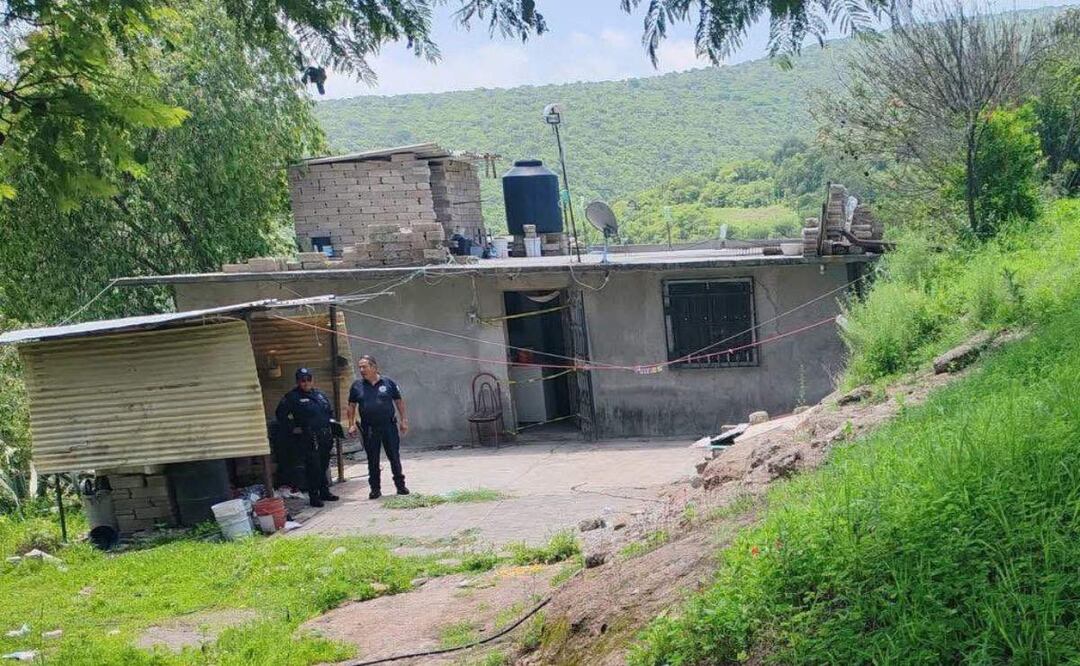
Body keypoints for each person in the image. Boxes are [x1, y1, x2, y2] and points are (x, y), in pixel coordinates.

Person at [275, 368, 339, 507]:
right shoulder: (292, 397)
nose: (306, 383)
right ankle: (314, 497)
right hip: (308, 437)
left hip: (324, 435)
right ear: (298, 382)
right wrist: (294, 427)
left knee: (324, 465)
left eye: (308, 379)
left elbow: (329, 412)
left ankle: (324, 492)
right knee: (313, 467)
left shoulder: (319, 394)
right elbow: (280, 415)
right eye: (302, 380)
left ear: (312, 380)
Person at [348, 355, 410, 499]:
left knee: (394, 456)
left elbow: (399, 402)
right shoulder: (357, 386)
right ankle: (375, 489)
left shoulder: (388, 383)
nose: (361, 370)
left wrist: (404, 420)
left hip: (388, 426)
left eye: (364, 367)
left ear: (374, 367)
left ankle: (400, 486)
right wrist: (351, 424)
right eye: (360, 367)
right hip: (369, 428)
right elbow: (351, 406)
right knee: (372, 459)